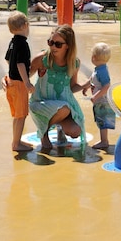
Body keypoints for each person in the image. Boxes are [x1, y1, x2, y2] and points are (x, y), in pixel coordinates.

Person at [27, 24, 87, 152]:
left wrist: (87, 84)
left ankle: (59, 127)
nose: (53, 46)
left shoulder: (74, 63)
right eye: (51, 42)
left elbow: (72, 87)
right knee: (64, 109)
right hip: (41, 104)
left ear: (68, 46)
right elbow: (24, 77)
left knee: (76, 131)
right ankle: (43, 133)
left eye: (58, 44)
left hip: (63, 106)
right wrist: (9, 79)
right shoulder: (42, 59)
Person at [4, 11, 35, 152]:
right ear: (25, 26)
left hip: (11, 82)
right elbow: (20, 64)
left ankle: (16, 140)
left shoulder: (13, 42)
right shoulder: (23, 44)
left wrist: (11, 72)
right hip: (18, 84)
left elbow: (8, 59)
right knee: (21, 115)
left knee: (17, 115)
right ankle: (16, 144)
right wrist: (27, 82)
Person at [84, 42, 114, 150]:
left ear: (94, 57)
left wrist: (95, 96)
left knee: (102, 120)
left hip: (102, 100)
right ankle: (103, 140)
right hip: (99, 100)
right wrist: (86, 87)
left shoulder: (102, 71)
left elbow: (106, 85)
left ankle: (104, 141)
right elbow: (93, 80)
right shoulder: (99, 69)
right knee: (100, 119)